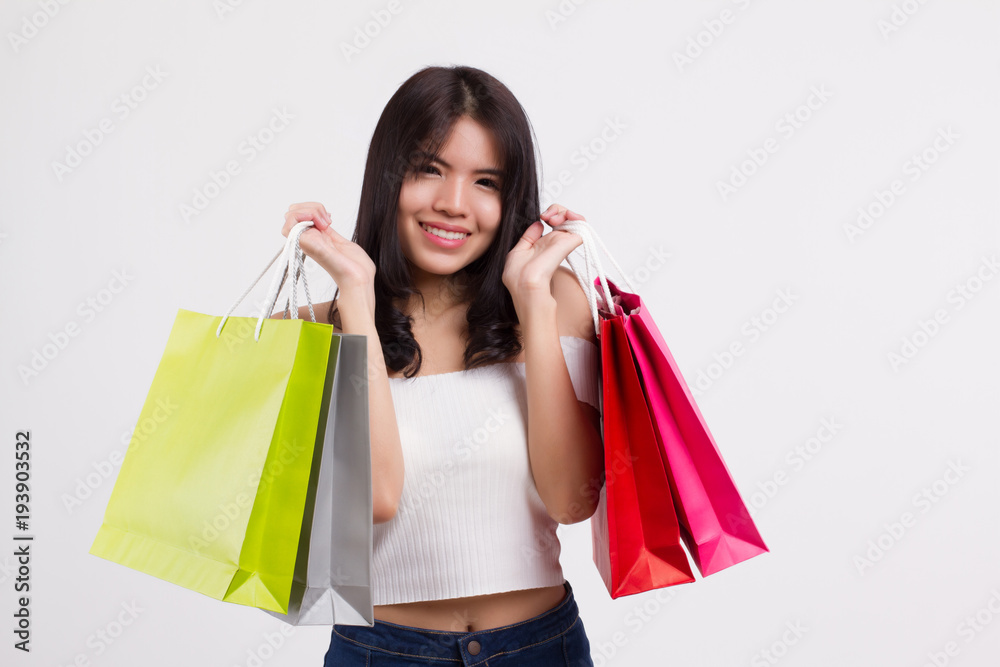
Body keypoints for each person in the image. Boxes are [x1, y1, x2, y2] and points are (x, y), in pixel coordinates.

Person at [276, 65, 603, 666]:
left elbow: (572, 501)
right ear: (388, 174)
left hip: (540, 647)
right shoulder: (309, 331)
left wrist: (533, 299)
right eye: (429, 169)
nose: (454, 205)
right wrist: (356, 298)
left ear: (509, 198)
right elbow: (375, 497)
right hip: (382, 652)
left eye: (485, 181)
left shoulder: (556, 301)